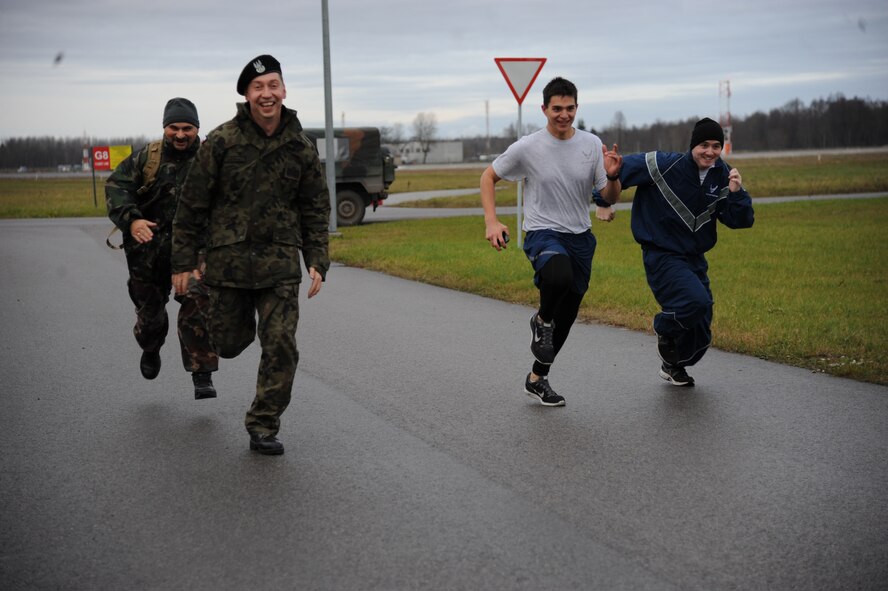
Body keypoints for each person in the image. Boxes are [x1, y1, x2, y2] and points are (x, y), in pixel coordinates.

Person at [171, 55, 330, 455]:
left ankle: (263, 424)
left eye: (273, 85)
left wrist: (317, 259)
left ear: (284, 91)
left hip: (279, 266)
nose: (266, 94)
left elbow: (315, 207)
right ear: (246, 94)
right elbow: (192, 205)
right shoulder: (222, 142)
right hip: (227, 266)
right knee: (227, 341)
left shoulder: (300, 146)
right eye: (258, 87)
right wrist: (184, 262)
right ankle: (218, 337)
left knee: (280, 344)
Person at [480, 77, 622, 406]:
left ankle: (537, 377)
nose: (563, 114)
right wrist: (492, 220)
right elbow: (489, 176)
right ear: (544, 109)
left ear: (577, 107)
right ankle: (541, 319)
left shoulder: (590, 144)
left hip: (580, 237)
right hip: (543, 232)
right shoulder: (529, 146)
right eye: (556, 108)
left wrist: (613, 177)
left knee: (568, 314)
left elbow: (607, 196)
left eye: (569, 108)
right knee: (558, 276)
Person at [610, 117, 754, 386]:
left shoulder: (723, 174)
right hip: (662, 254)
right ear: (692, 145)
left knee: (702, 328)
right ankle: (662, 328)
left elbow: (741, 221)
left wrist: (736, 193)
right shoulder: (664, 164)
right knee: (694, 302)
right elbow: (616, 170)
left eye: (715, 146)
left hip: (694, 259)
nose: (710, 152)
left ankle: (673, 364)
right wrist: (603, 201)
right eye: (703, 145)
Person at [106, 97, 218, 400]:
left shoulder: (211, 158)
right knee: (151, 318)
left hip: (194, 252)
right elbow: (116, 188)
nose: (180, 135)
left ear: (197, 129)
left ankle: (201, 371)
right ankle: (151, 347)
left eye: (187, 128)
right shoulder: (147, 159)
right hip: (149, 255)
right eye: (173, 128)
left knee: (198, 300)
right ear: (164, 127)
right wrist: (132, 221)